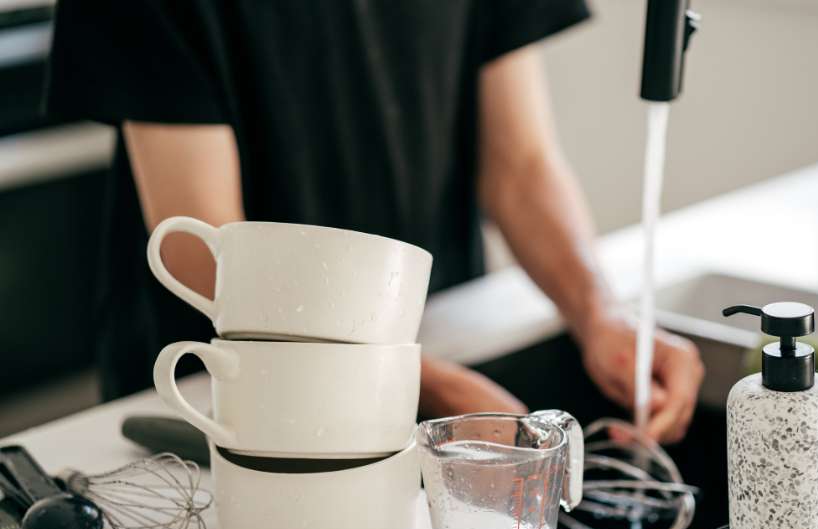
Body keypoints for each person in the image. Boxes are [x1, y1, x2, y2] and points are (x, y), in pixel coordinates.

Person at [45, 1, 704, 444]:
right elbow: (205, 242)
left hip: (428, 340)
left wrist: (600, 313)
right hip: (216, 387)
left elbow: (520, 165)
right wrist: (409, 376)